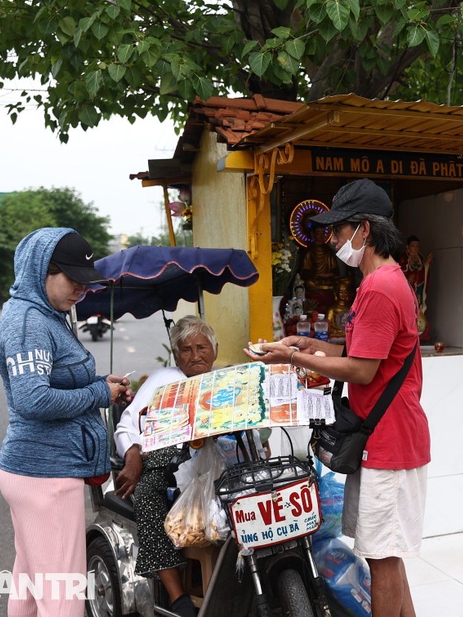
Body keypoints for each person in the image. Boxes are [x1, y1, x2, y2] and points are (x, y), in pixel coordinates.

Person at [244, 177, 430, 617]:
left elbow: (362, 370)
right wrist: (310, 347)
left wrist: (293, 356)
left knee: (382, 558)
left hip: (390, 441)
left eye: (339, 230)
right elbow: (361, 355)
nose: (333, 240)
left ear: (364, 231)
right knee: (388, 552)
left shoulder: (380, 287)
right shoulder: (383, 282)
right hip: (385, 439)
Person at [0, 228, 132, 617]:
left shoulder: (41, 314)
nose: (81, 291)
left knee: (31, 588)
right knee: (63, 599)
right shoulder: (30, 324)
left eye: (85, 283)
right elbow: (33, 398)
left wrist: (98, 384)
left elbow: (54, 379)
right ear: (42, 271)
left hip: (36, 472)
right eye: (73, 280)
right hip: (46, 477)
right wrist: (98, 395)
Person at [113, 316, 219, 617]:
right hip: (169, 461)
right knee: (146, 492)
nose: (195, 355)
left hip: (216, 462)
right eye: (186, 349)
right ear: (176, 355)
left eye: (201, 347)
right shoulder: (162, 379)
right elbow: (128, 423)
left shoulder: (224, 378)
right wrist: (132, 453)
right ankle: (178, 598)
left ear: (214, 350)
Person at [399, 236, 432, 341]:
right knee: (408, 310)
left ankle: (420, 334)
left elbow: (423, 271)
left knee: (420, 308)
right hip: (408, 290)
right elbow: (402, 273)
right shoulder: (403, 258)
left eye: (417, 246)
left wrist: (426, 265)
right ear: (407, 247)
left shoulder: (420, 258)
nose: (415, 248)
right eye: (413, 246)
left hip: (419, 289)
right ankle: (408, 334)